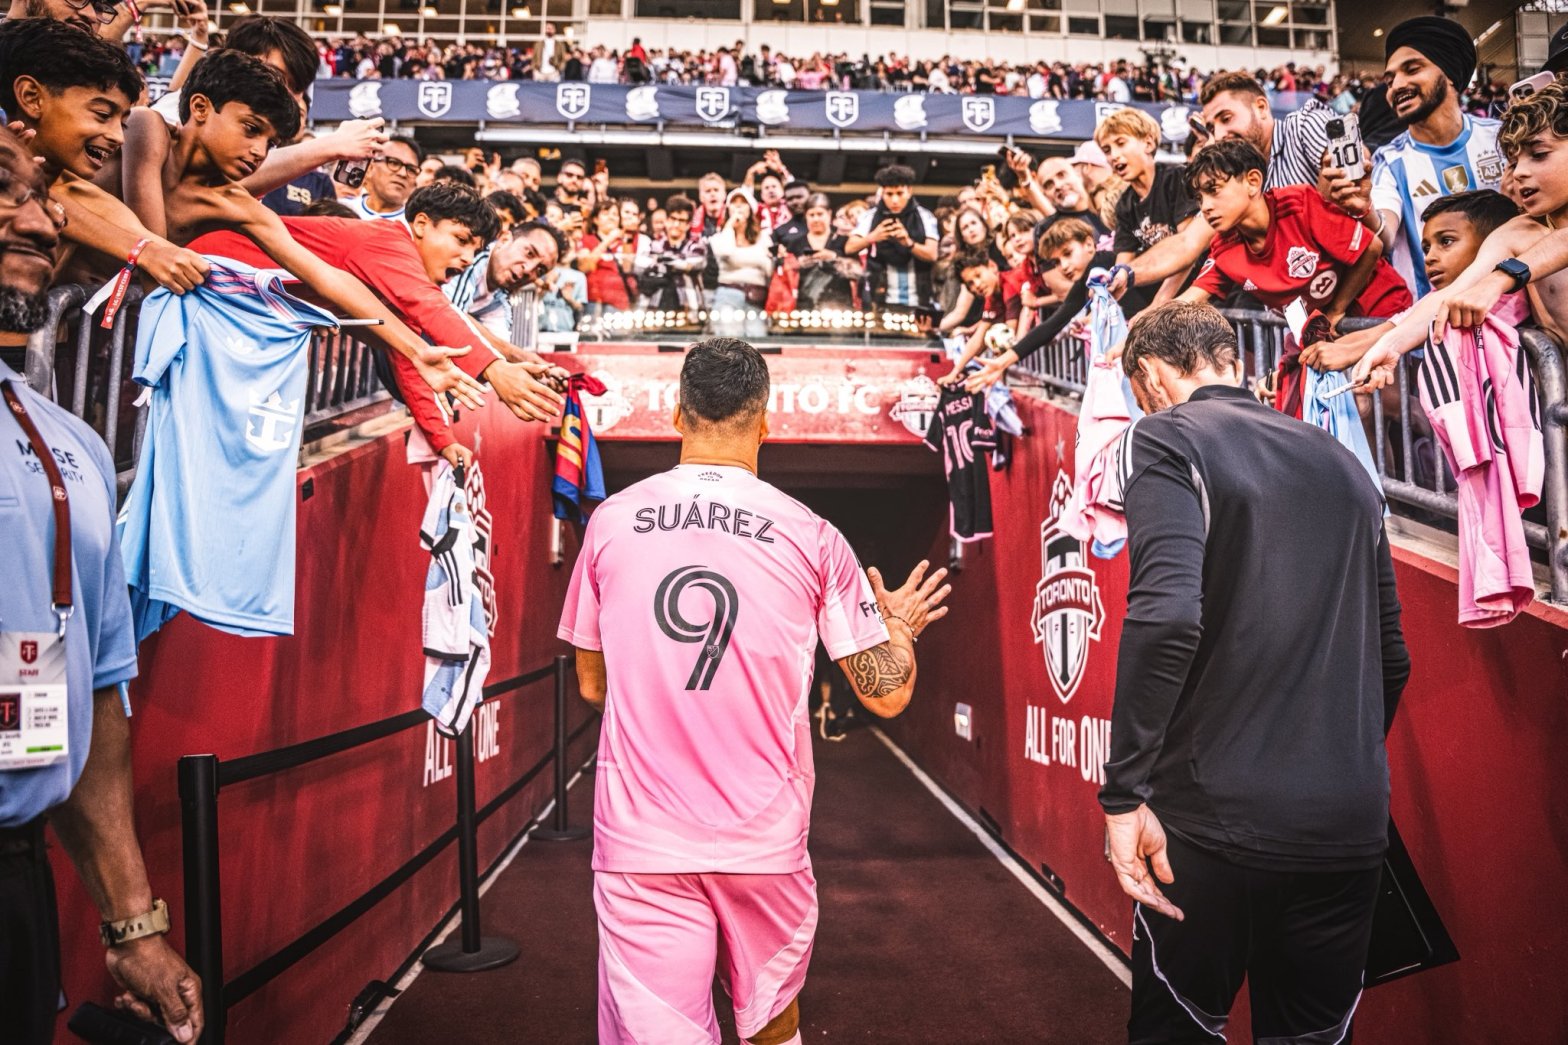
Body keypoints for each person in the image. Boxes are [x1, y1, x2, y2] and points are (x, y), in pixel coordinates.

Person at [556, 336, 950, 1045]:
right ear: (766, 422)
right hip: (764, 843)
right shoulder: (814, 535)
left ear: (678, 414)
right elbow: (885, 694)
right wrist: (898, 629)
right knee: (771, 1023)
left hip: (643, 842)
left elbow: (592, 684)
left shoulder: (610, 522)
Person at [1103, 300, 1409, 1045]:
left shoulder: (1165, 436)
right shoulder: (1341, 459)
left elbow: (1168, 616)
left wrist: (1123, 793)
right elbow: (1392, 656)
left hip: (1212, 822)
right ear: (1232, 361)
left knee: (1179, 1026)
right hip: (1348, 822)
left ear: (1148, 375)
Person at [0, 127, 205, 1045]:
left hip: (16, 875)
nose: (40, 222)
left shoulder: (68, 443)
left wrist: (133, 925)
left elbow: (87, 697)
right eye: (6, 190)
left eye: (46, 197)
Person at [1353, 80, 1568, 388]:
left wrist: (1498, 279)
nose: (1519, 171)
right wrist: (1391, 345)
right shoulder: (1519, 231)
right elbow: (1452, 292)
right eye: (1514, 159)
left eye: (1538, 154)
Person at [1322, 16, 1504, 297]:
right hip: (1428, 329)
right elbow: (1385, 233)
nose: (1396, 85)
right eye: (1390, 78)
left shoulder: (1502, 140)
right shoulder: (1389, 160)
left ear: (1451, 74)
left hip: (1514, 316)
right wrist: (1363, 207)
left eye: (1412, 69)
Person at [1173, 139, 1412, 328]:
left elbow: (1371, 248)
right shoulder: (1224, 248)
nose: (1205, 206)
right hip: (1325, 332)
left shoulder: (1299, 204)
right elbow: (1190, 298)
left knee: (1380, 389)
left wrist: (1336, 311)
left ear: (1253, 182)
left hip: (1381, 310)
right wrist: (1143, 322)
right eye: (1199, 198)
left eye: (1213, 190)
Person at [444, 218, 570, 342]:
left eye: (540, 271)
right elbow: (447, 319)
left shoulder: (499, 298)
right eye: (529, 253)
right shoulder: (473, 259)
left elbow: (499, 346)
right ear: (504, 240)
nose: (528, 269)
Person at [845, 164, 939, 311]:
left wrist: (908, 243)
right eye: (889, 194)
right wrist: (873, 237)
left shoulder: (925, 216)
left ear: (909, 191)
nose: (894, 200)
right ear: (882, 193)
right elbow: (849, 247)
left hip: (919, 299)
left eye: (899, 193)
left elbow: (932, 254)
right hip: (879, 299)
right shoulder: (869, 216)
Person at [708, 187, 773, 339]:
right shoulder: (719, 237)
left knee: (758, 339)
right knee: (729, 344)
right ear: (728, 208)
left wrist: (737, 260)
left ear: (751, 209)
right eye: (734, 203)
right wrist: (730, 226)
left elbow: (769, 268)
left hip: (756, 297)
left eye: (743, 203)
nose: (738, 206)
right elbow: (726, 251)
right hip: (727, 295)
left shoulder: (764, 237)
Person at [778, 192, 856, 311]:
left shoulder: (844, 241)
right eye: (812, 215)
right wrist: (797, 265)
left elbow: (859, 272)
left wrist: (835, 258)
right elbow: (785, 276)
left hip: (840, 304)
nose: (816, 219)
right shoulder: (795, 243)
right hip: (804, 305)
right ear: (806, 216)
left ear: (829, 214)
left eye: (820, 214)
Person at [634, 193, 707, 313]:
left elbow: (693, 264)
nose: (676, 224)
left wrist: (663, 261)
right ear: (666, 221)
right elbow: (640, 267)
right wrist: (674, 263)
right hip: (656, 306)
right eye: (673, 219)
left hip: (688, 308)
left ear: (688, 225)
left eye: (681, 220)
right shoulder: (654, 246)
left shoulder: (696, 246)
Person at [577, 198, 633, 321]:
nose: (611, 217)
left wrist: (626, 237)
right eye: (606, 213)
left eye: (615, 214)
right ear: (596, 219)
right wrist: (609, 240)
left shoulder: (624, 243)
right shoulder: (587, 239)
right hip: (593, 301)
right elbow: (585, 266)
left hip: (620, 302)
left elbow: (627, 268)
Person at [348, 136, 422, 222]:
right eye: (394, 163)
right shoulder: (342, 209)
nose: (403, 173)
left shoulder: (416, 227)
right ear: (370, 168)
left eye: (411, 169)